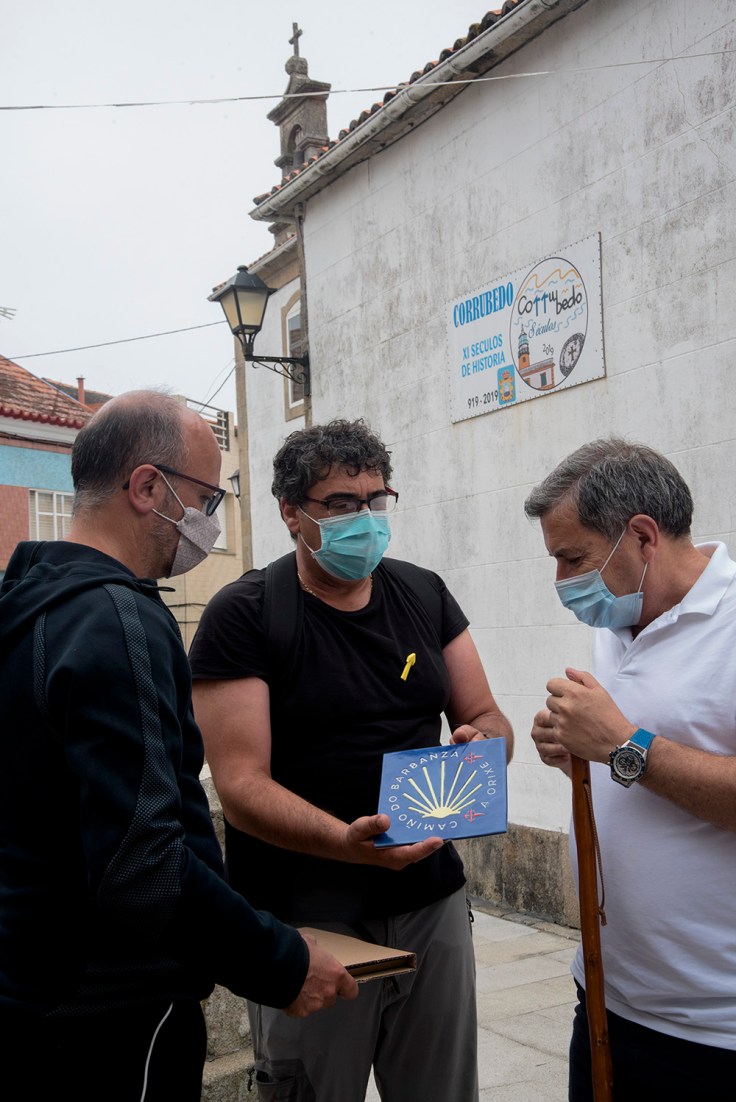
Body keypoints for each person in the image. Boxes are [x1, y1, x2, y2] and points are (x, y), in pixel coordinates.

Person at [0, 392, 357, 1102]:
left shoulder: (26, 606)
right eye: (206, 497)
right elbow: (144, 863)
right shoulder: (116, 618)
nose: (210, 522)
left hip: (29, 994)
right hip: (110, 1014)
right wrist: (280, 962)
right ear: (146, 487)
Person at [189, 417, 513, 1102]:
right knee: (309, 1090)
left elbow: (487, 718)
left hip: (431, 902)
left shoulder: (423, 594)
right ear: (291, 512)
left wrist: (482, 748)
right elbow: (241, 786)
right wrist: (345, 843)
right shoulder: (246, 614)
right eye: (341, 504)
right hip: (307, 918)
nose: (364, 519)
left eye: (376, 500)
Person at [525, 437, 736, 1102]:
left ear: (642, 535)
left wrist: (621, 747)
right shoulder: (618, 622)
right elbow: (641, 766)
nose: (562, 582)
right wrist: (576, 753)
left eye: (573, 558)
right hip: (606, 1001)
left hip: (714, 1030)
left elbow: (634, 750)